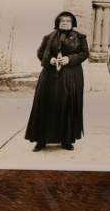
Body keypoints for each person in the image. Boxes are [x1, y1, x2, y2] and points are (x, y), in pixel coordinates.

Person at [25, 11, 90, 152]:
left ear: (72, 23)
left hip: (71, 77)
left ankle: (66, 140)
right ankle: (40, 141)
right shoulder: (49, 37)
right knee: (45, 106)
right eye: (62, 21)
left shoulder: (80, 37)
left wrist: (69, 59)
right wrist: (50, 59)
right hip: (50, 76)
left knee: (68, 106)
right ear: (58, 23)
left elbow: (85, 53)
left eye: (68, 21)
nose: (65, 23)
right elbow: (40, 52)